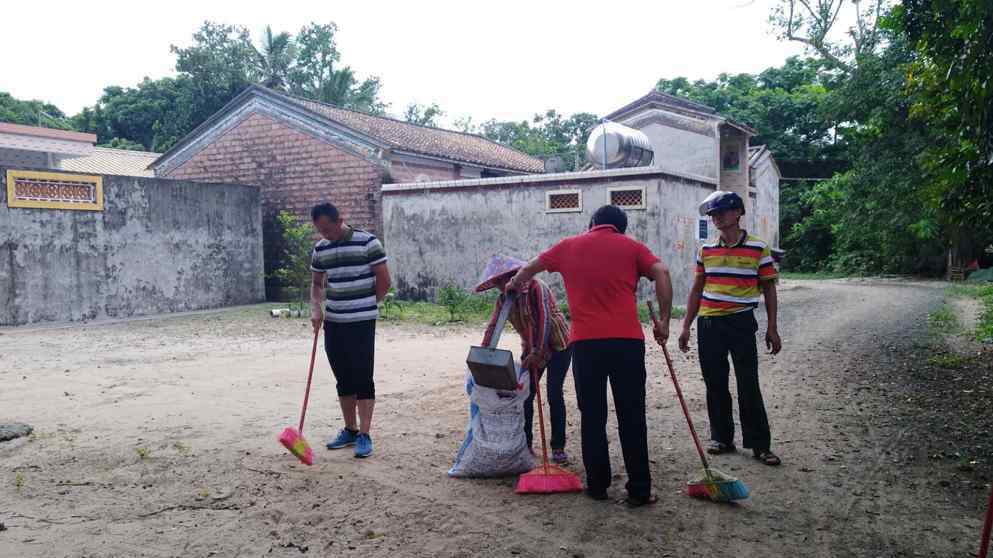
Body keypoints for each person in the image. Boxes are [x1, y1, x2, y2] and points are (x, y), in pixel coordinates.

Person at [507, 205, 673, 506]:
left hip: (586, 344)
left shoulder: (569, 246)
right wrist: (664, 320)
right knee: (632, 415)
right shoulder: (633, 247)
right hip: (627, 342)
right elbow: (662, 271)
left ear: (592, 223)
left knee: (593, 416)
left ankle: (597, 486)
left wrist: (515, 283)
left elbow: (531, 267)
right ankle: (639, 489)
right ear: (620, 228)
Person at [678, 190, 783, 466]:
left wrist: (772, 327)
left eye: (722, 212)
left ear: (738, 213)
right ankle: (722, 438)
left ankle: (760, 445)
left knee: (748, 383)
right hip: (709, 323)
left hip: (741, 322)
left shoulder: (759, 249)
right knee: (715, 383)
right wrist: (686, 325)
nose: (717, 218)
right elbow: (697, 289)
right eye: (713, 214)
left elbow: (770, 290)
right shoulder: (706, 251)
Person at [309, 203, 391, 458]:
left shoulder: (368, 243)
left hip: (362, 322)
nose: (325, 235)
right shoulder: (320, 248)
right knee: (343, 377)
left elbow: (385, 281)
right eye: (320, 230)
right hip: (334, 322)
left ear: (340, 220)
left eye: (328, 229)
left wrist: (366, 304)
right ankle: (350, 429)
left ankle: (365, 434)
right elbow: (316, 283)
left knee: (363, 376)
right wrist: (316, 308)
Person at [476, 255, 572, 464]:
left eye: (505, 280)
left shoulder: (537, 288)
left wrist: (538, 352)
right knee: (525, 395)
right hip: (531, 348)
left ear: (515, 275)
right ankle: (525, 444)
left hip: (558, 345)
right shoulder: (503, 300)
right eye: (498, 283)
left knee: (554, 393)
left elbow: (545, 321)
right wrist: (484, 353)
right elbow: (493, 327)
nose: (502, 286)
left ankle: (557, 447)